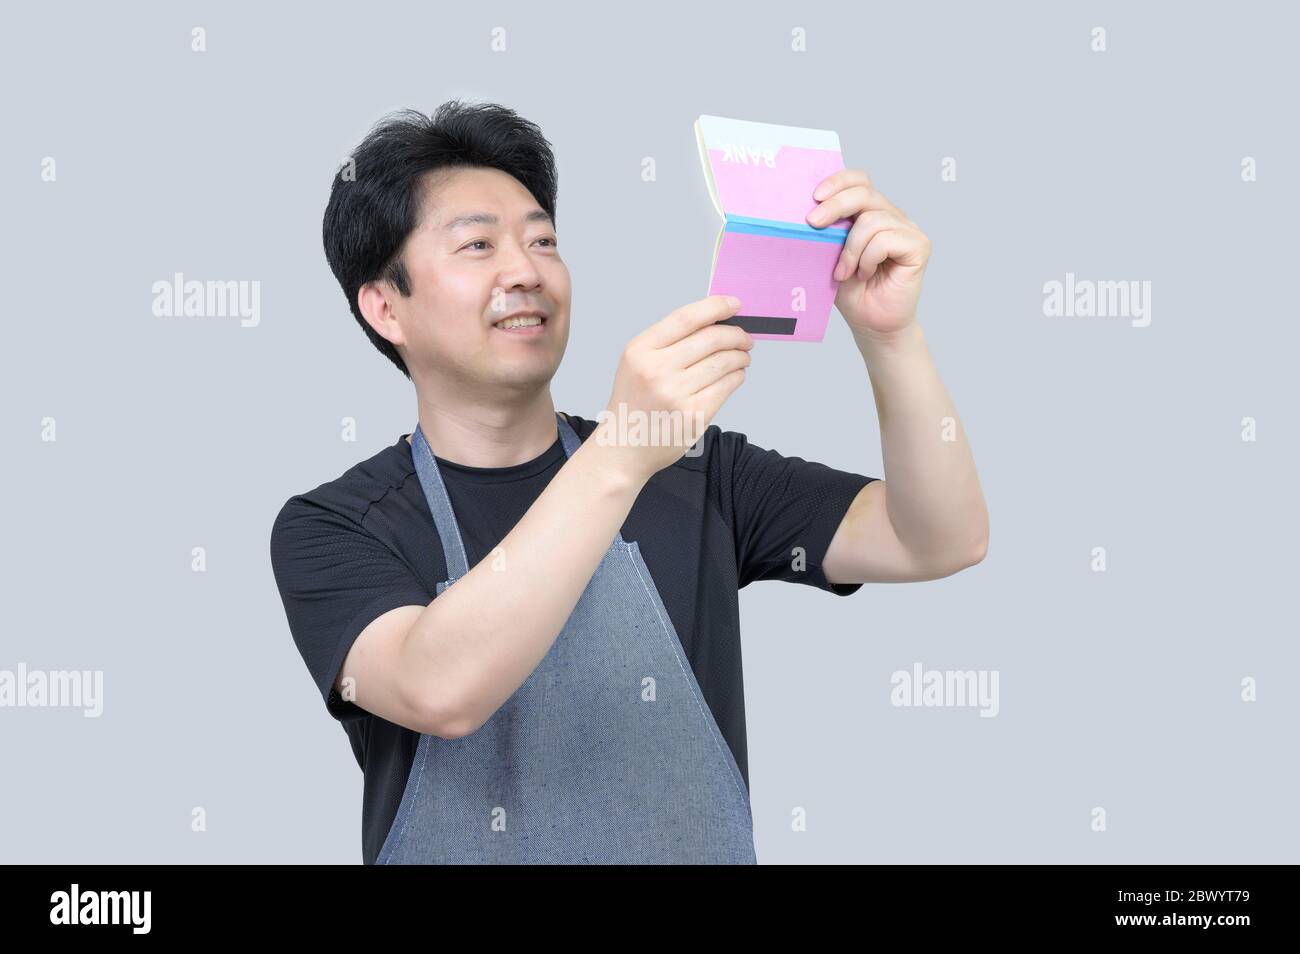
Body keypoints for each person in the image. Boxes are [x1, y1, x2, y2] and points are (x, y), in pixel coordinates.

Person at [269, 99, 988, 865]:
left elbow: (939, 537)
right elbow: (436, 687)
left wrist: (892, 338)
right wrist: (619, 453)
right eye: (477, 245)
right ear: (385, 307)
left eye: (543, 240)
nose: (527, 270)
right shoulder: (334, 526)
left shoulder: (699, 476)